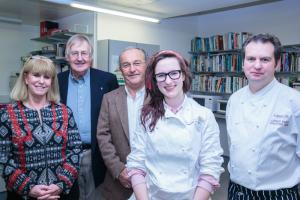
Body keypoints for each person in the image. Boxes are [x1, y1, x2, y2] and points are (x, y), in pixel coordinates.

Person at [126, 50, 224, 200]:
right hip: (150, 195)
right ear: (155, 80)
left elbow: (210, 168)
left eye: (174, 73)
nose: (168, 81)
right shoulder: (146, 116)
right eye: (161, 75)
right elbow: (136, 164)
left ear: (183, 75)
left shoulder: (203, 116)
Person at [226, 33, 300, 200]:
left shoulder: (294, 101)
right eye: (251, 59)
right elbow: (233, 146)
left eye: (265, 59)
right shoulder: (234, 100)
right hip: (236, 191)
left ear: (277, 63)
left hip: (279, 193)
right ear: (243, 63)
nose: (257, 65)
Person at [0, 56, 82, 200]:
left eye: (47, 77)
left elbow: (75, 151)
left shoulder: (64, 112)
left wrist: (60, 184)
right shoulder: (7, 114)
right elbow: (3, 158)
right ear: (26, 78)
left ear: (51, 82)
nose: (41, 81)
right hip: (23, 194)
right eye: (36, 75)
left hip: (62, 193)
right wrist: (28, 188)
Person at [58, 34, 119, 200]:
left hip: (97, 154)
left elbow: (116, 120)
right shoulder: (56, 82)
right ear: (67, 57)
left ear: (91, 57)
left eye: (84, 53)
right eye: (75, 53)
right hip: (65, 156)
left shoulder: (107, 80)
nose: (79, 58)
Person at [95, 47, 148, 200]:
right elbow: (103, 136)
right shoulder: (109, 99)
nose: (132, 69)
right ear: (120, 69)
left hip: (152, 180)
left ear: (146, 66)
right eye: (126, 65)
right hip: (118, 183)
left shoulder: (159, 98)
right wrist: (118, 170)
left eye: (137, 63)